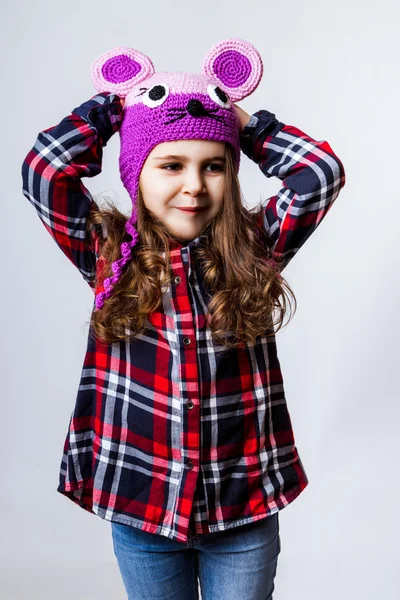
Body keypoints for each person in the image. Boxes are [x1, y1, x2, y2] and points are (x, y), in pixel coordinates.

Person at [21, 38, 346, 600]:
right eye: (171, 165)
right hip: (144, 511)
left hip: (241, 513)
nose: (194, 185)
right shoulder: (108, 254)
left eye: (213, 167)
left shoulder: (255, 246)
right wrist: (114, 109)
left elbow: (319, 174)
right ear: (136, 172)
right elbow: (45, 170)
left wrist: (238, 121)